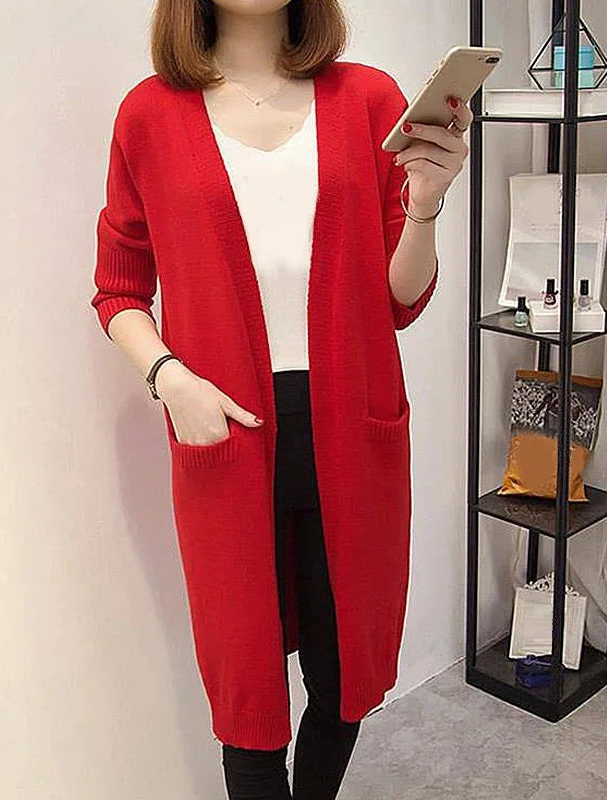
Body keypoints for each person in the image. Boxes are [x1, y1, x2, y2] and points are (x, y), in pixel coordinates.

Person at [90, 1, 471, 797]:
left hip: (353, 432)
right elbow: (119, 290)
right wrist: (172, 380)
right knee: (248, 701)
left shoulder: (368, 99)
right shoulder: (149, 115)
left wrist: (427, 202)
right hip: (223, 436)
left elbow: (399, 298)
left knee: (344, 679)